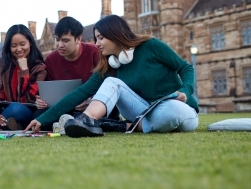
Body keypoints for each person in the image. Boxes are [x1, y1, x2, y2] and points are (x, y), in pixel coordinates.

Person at [26, 14, 199, 137]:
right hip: (143, 111)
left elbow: (185, 67)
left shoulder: (151, 46)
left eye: (100, 38)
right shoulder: (110, 64)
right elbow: (79, 93)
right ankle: (87, 120)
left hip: (177, 108)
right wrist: (42, 119)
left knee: (171, 112)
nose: (97, 44)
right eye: (95, 39)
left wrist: (186, 90)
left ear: (115, 34)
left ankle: (125, 126)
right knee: (111, 82)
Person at [33, 16, 103, 130]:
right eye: (57, 39)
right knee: (38, 115)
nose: (60, 45)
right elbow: (48, 91)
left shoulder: (95, 52)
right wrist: (41, 101)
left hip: (91, 107)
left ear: (78, 38)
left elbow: (106, 84)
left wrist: (92, 100)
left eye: (65, 40)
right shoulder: (51, 59)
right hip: (64, 107)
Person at [0, 24, 47, 130]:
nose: (19, 49)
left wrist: (24, 71)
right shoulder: (4, 64)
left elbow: (27, 99)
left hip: (26, 111)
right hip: (5, 109)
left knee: (16, 108)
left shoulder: (39, 68)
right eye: (14, 46)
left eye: (23, 44)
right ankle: (5, 123)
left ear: (30, 42)